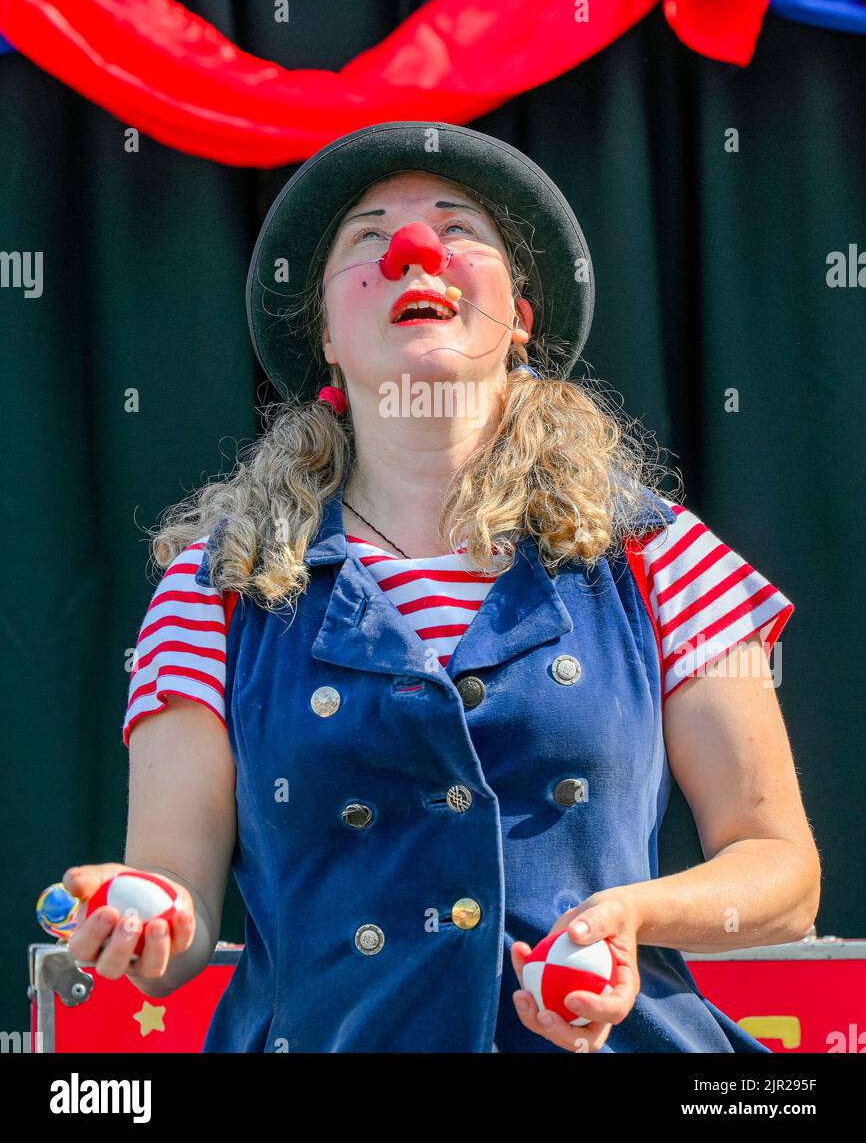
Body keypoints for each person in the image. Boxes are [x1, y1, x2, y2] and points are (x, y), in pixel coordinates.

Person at [65, 121, 820, 1053]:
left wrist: (631, 916)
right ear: (329, 338)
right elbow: (175, 898)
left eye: (459, 230)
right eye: (368, 239)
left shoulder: (663, 555)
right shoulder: (212, 587)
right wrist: (146, 918)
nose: (416, 253)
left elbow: (783, 873)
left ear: (521, 316)